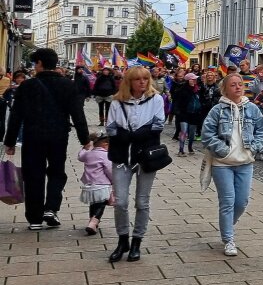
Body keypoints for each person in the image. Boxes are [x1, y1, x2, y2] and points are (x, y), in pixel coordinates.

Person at [4, 48, 90, 230]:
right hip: (58, 136)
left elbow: (16, 116)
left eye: (35, 63)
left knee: (33, 175)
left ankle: (35, 218)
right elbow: (78, 114)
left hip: (33, 137)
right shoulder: (68, 85)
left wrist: (10, 142)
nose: (34, 67)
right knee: (57, 172)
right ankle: (51, 208)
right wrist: (85, 138)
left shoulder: (27, 86)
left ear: (40, 63)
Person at [201, 73, 263, 255]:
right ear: (225, 89)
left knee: (242, 201)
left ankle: (227, 225)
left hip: (245, 162)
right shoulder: (217, 110)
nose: (238, 87)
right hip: (222, 163)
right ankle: (229, 239)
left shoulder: (252, 109)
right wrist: (222, 150)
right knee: (228, 201)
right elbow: (207, 134)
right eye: (233, 85)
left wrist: (254, 147)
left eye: (240, 84)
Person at [105, 66, 166, 262]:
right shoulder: (117, 102)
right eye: (138, 79)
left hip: (146, 157)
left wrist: (132, 135)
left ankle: (137, 241)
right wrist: (134, 134)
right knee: (120, 201)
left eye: (146, 79)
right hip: (122, 157)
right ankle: (123, 239)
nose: (143, 83)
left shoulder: (156, 99)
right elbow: (111, 129)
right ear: (129, 82)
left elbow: (157, 126)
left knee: (142, 201)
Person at [78, 132, 112, 235]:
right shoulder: (105, 155)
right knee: (102, 204)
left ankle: (91, 222)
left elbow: (80, 157)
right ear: (105, 144)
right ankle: (93, 222)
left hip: (89, 185)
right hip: (101, 185)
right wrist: (114, 181)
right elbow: (109, 170)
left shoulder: (88, 154)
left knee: (93, 204)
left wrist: (86, 147)